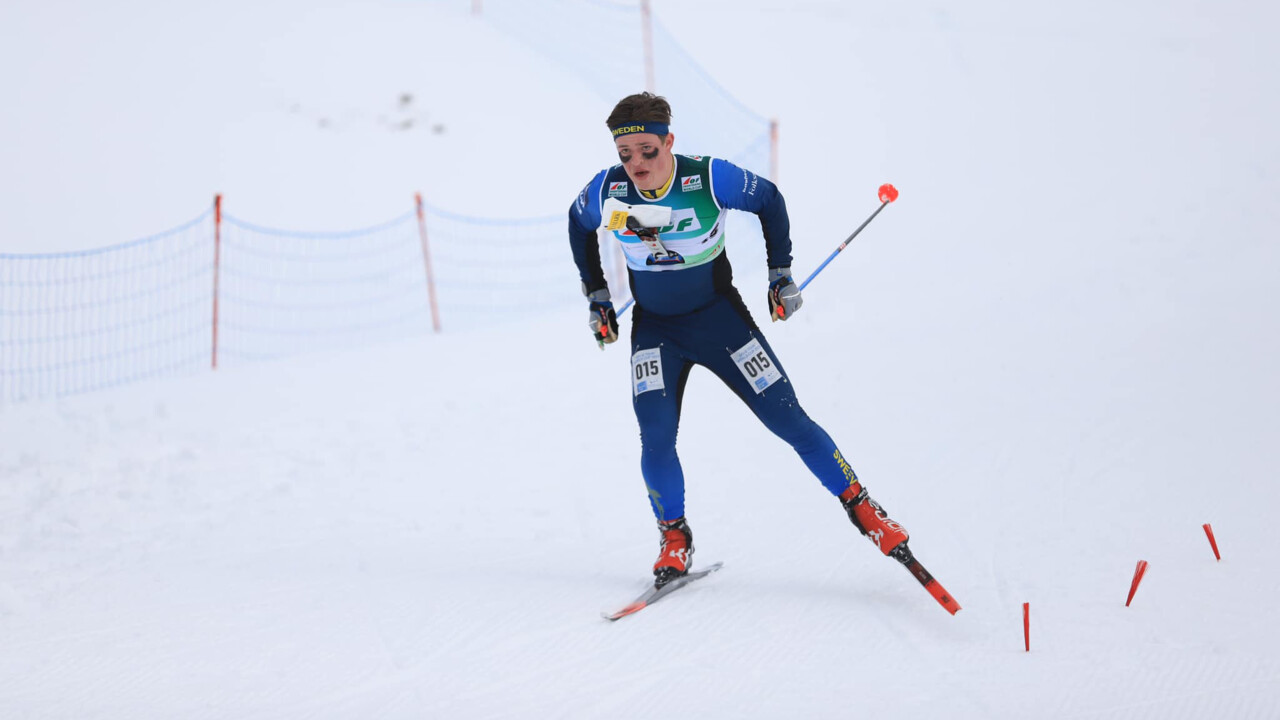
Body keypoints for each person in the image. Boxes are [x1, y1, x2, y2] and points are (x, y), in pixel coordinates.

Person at [567, 92, 909, 586]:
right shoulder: (606, 190)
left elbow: (768, 198)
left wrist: (780, 274)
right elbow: (577, 225)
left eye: (647, 151)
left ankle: (864, 509)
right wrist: (596, 294)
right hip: (656, 331)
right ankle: (674, 539)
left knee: (788, 420)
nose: (636, 165)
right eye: (625, 155)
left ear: (669, 141)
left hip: (720, 323)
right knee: (656, 438)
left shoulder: (707, 177)